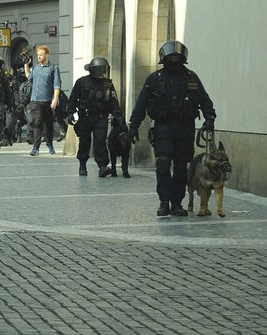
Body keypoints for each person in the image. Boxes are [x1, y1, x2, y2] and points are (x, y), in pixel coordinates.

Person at [129, 41, 216, 218]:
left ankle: (177, 203)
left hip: (185, 128)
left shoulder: (191, 77)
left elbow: (205, 101)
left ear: (182, 59)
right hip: (163, 127)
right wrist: (133, 126)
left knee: (181, 167)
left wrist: (209, 119)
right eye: (171, 57)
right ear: (165, 59)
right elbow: (141, 104)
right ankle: (164, 201)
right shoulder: (154, 79)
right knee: (162, 162)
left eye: (177, 57)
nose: (174, 60)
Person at [67, 57, 123, 177]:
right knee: (85, 142)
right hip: (85, 117)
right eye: (99, 70)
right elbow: (72, 99)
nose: (101, 72)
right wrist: (70, 113)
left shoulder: (107, 84)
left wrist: (117, 114)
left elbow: (113, 101)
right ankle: (82, 164)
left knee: (100, 141)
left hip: (101, 116)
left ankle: (102, 166)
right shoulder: (82, 82)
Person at [25, 45, 61, 156]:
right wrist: (26, 65)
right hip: (35, 101)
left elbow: (57, 85)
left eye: (41, 55)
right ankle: (35, 148)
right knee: (37, 123)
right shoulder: (35, 68)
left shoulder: (53, 68)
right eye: (38, 55)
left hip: (47, 101)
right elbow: (28, 77)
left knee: (48, 124)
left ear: (46, 55)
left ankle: (50, 145)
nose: (39, 57)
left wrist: (55, 98)